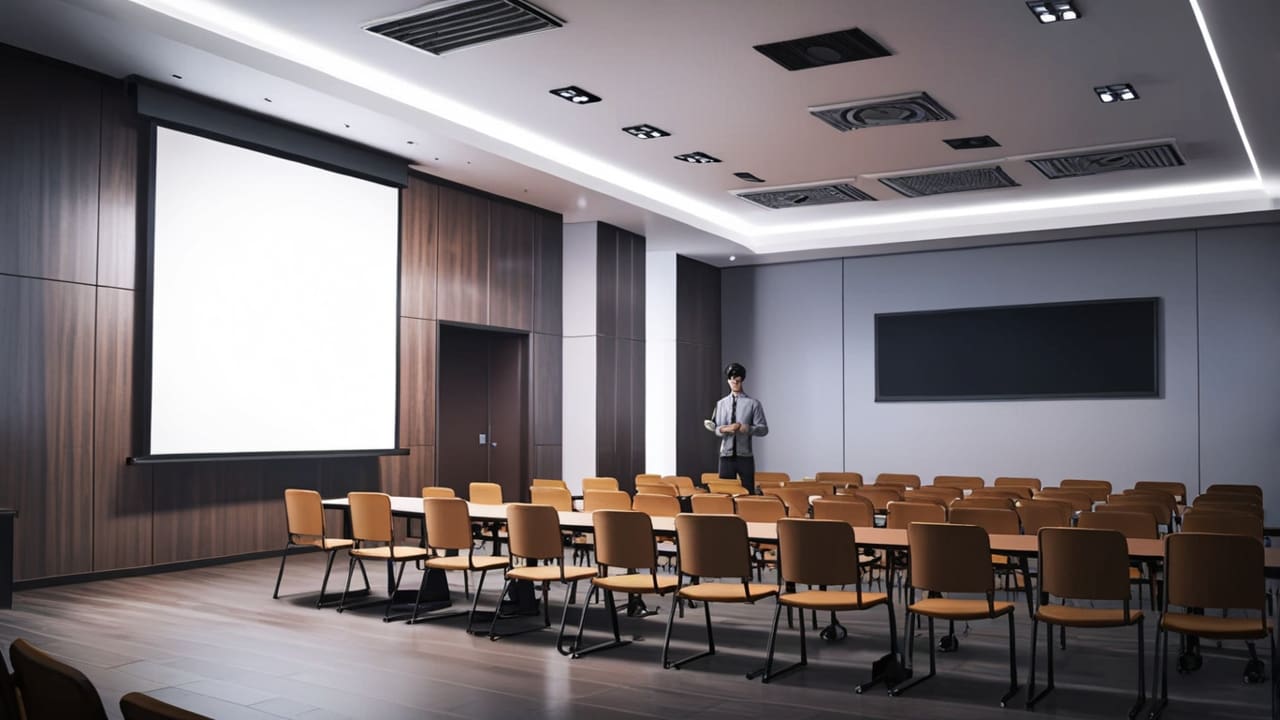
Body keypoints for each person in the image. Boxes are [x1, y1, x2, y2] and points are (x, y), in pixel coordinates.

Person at [706, 362, 768, 494]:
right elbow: (716, 428)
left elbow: (763, 429)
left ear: (742, 379)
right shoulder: (721, 404)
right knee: (725, 493)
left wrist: (746, 428)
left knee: (748, 492)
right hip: (725, 456)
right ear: (728, 380)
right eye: (731, 378)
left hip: (745, 456)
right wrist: (726, 429)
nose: (734, 381)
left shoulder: (753, 404)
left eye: (737, 378)